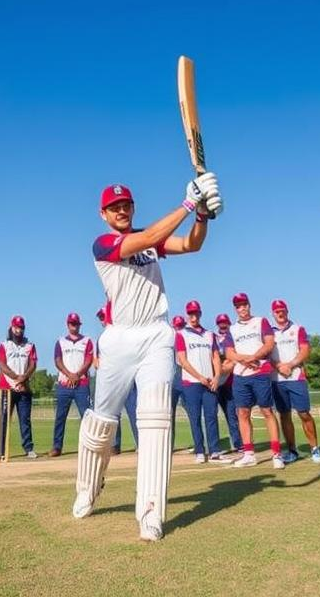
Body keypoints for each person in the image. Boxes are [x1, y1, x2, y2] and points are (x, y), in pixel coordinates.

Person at [73, 174, 223, 541]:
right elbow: (144, 239)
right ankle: (87, 489)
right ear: (103, 214)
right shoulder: (103, 243)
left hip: (156, 334)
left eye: (126, 205)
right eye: (114, 207)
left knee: (156, 419)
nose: (121, 211)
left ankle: (151, 513)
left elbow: (191, 245)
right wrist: (188, 204)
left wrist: (201, 216)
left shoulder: (151, 241)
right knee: (101, 422)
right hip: (119, 337)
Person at [224, 292, 284, 469]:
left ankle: (276, 454)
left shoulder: (261, 322)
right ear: (235, 309)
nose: (241, 308)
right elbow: (229, 353)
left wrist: (254, 357)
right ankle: (249, 454)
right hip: (241, 375)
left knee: (267, 411)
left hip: (260, 372)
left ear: (249, 305)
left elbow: (269, 343)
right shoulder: (232, 329)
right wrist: (245, 359)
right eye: (238, 306)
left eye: (244, 304)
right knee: (242, 413)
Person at [269, 299, 320, 464]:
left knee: (304, 413)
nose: (280, 313)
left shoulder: (297, 329)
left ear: (287, 311)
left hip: (296, 377)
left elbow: (305, 350)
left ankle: (314, 449)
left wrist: (290, 365)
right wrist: (278, 366)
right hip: (277, 379)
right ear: (273, 313)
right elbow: (266, 354)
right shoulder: (269, 332)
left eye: (282, 310)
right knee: (284, 415)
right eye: (277, 311)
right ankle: (292, 450)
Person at [175, 300, 227, 463]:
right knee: (195, 417)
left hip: (210, 382)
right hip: (192, 383)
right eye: (190, 313)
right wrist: (199, 377)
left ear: (200, 314)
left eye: (196, 313)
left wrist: (217, 376)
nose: (193, 316)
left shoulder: (209, 335)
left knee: (211, 416)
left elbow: (215, 357)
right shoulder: (181, 334)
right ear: (187, 314)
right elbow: (183, 360)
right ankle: (199, 450)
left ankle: (214, 450)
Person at [97, 307, 140, 456]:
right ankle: (114, 445)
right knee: (113, 414)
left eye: (104, 316)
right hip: (112, 382)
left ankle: (140, 443)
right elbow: (98, 361)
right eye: (101, 318)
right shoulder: (102, 339)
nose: (103, 320)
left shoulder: (125, 334)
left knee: (134, 413)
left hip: (128, 380)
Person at [50, 313, 94, 457]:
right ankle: (57, 447)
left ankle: (89, 446)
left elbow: (88, 360)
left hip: (82, 383)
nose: (73, 326)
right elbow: (57, 360)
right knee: (60, 417)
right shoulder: (60, 341)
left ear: (79, 325)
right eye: (71, 323)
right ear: (67, 325)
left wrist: (77, 374)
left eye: (75, 323)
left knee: (87, 417)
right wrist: (69, 374)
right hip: (64, 383)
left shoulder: (87, 341)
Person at [0, 315, 38, 459]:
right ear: (11, 327)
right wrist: (15, 377)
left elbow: (33, 364)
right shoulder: (4, 345)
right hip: (7, 387)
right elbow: (1, 364)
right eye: (16, 327)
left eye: (21, 327)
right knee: (4, 419)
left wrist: (23, 377)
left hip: (24, 387)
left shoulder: (30, 345)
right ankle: (0, 450)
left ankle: (28, 448)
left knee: (25, 420)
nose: (18, 330)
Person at [214, 313, 242, 454]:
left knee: (232, 414)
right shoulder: (214, 338)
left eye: (225, 322)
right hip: (217, 382)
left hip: (231, 382)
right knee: (215, 415)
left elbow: (237, 357)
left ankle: (238, 444)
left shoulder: (234, 337)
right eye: (220, 323)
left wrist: (229, 364)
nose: (223, 325)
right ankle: (214, 446)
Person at [170, 315, 188, 450]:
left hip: (186, 374)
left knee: (192, 411)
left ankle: (200, 444)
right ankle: (169, 444)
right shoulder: (168, 341)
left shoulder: (186, 338)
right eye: (176, 327)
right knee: (169, 412)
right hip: (172, 378)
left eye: (181, 326)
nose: (178, 329)